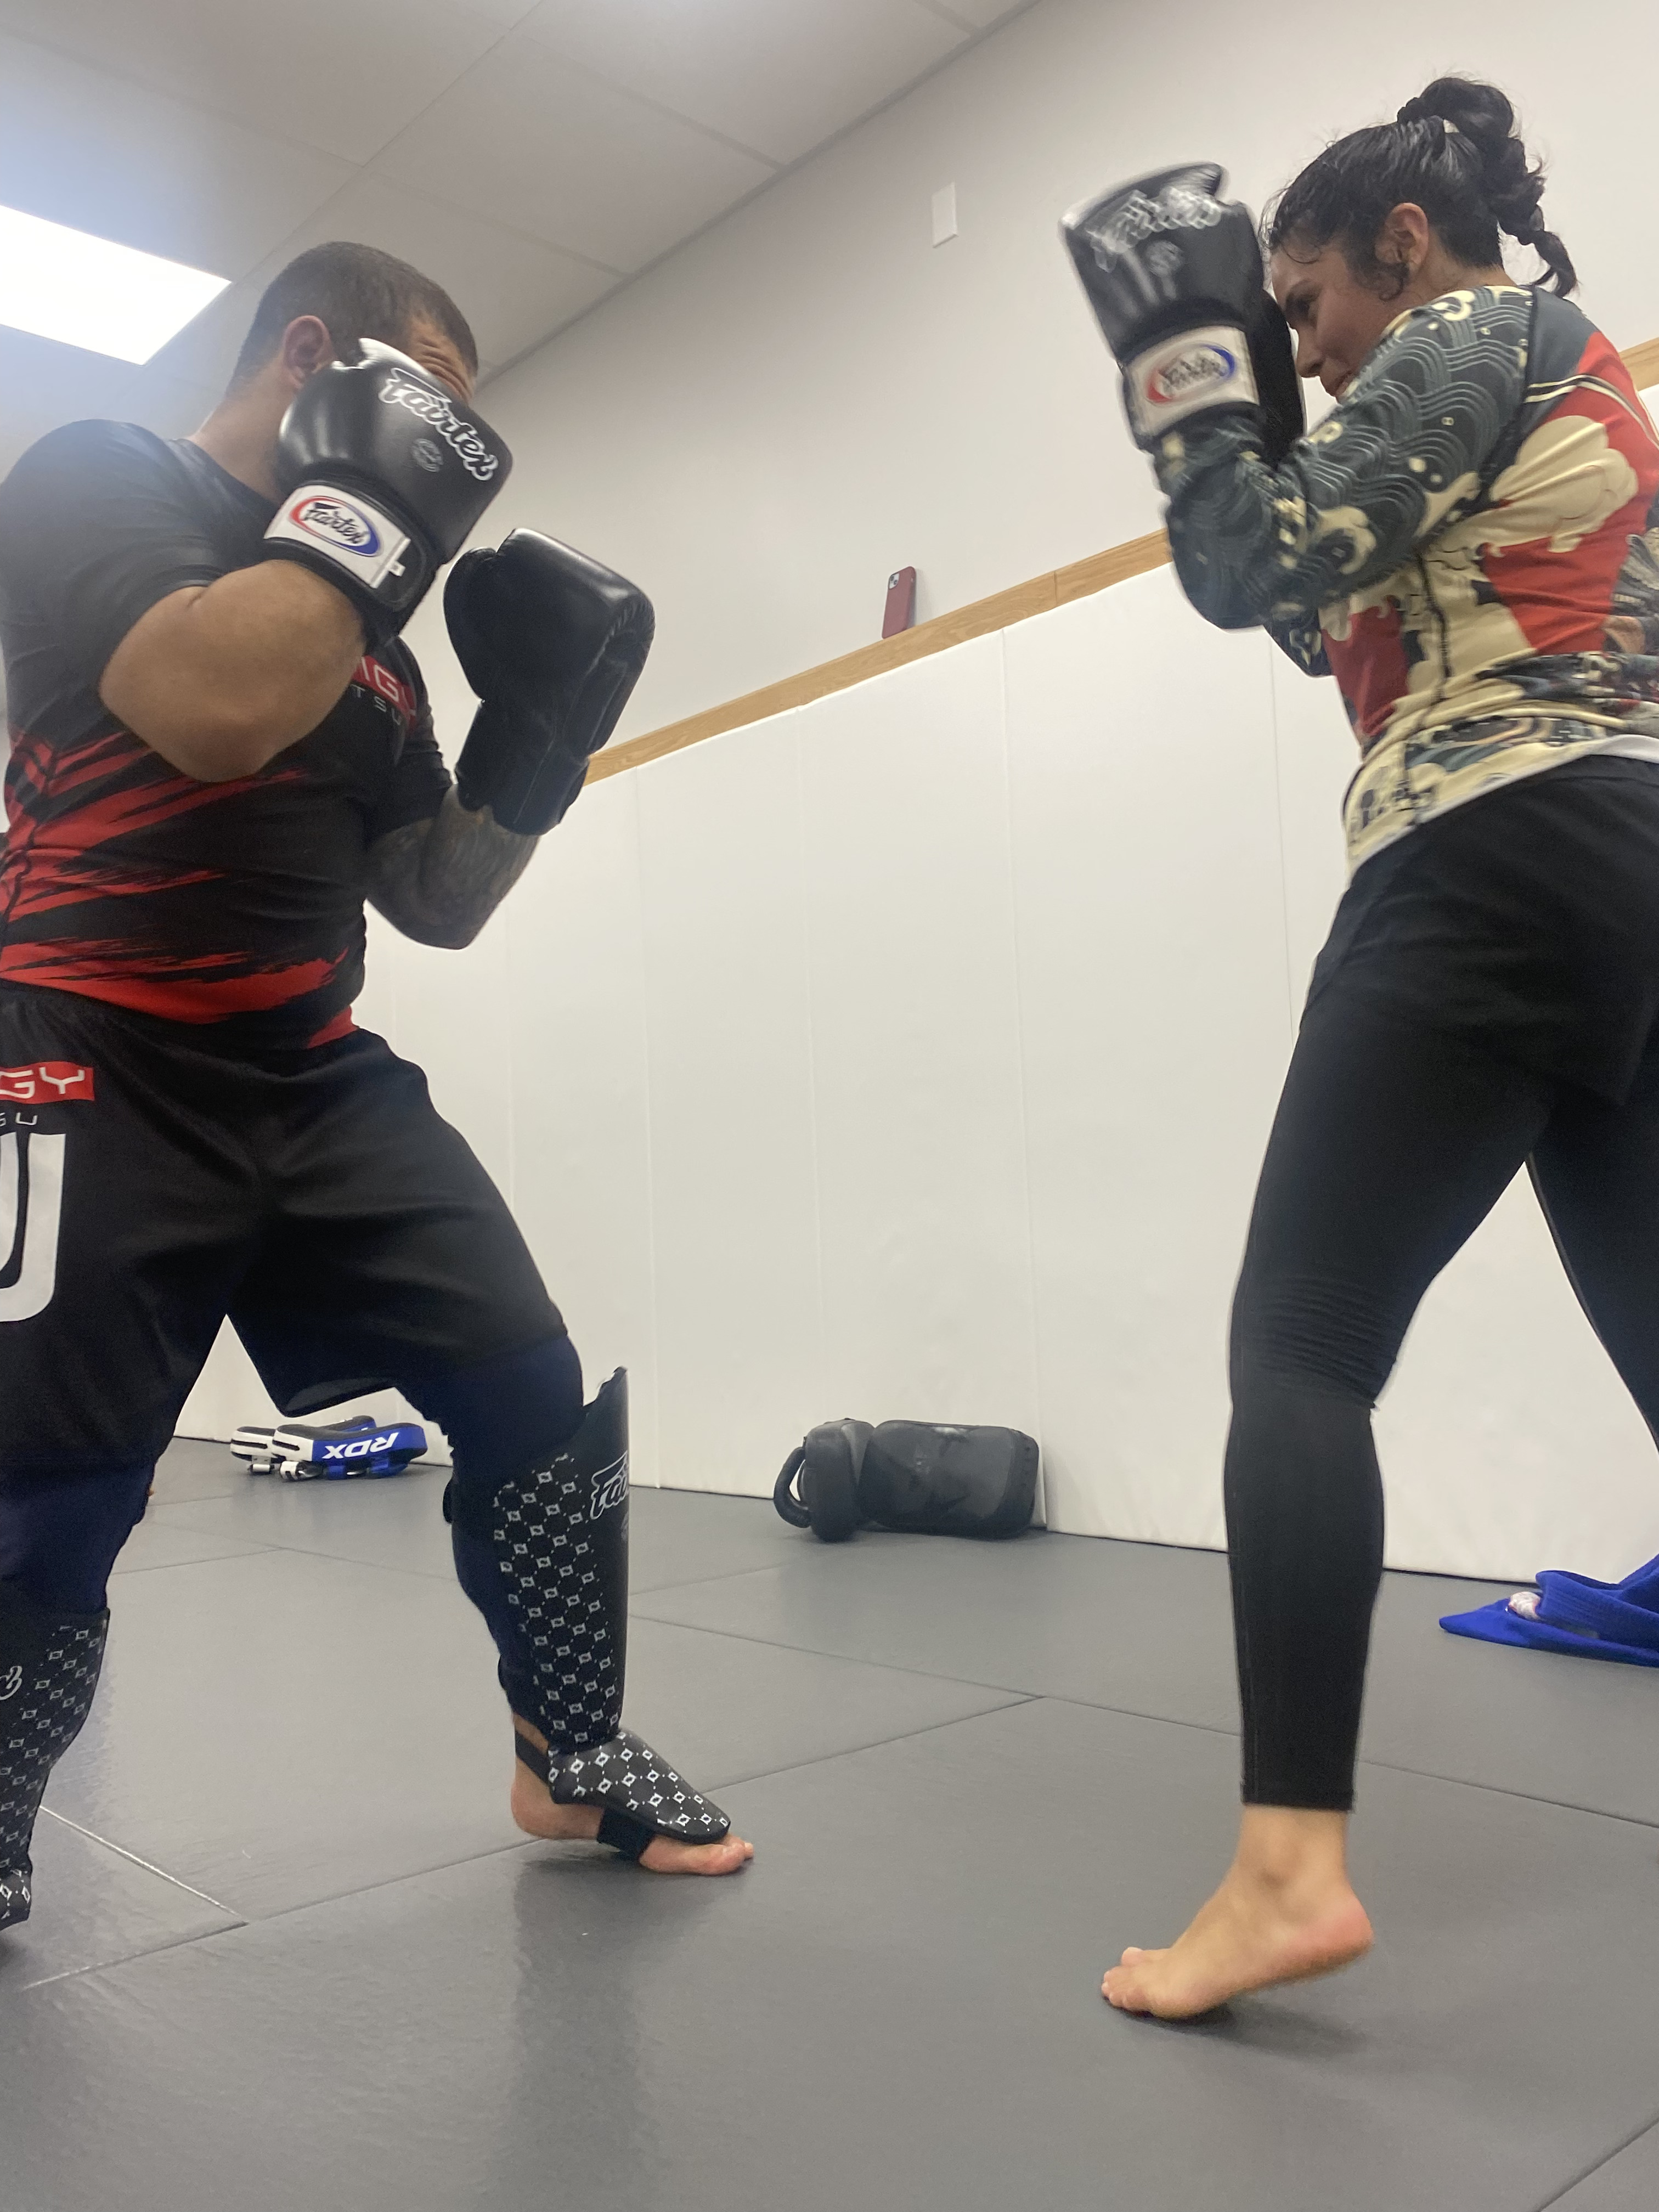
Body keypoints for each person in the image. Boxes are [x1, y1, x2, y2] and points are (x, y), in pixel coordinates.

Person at [0, 241, 752, 1934]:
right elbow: (210, 705)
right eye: (429, 413)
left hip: (313, 1078)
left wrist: (539, 743)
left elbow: (436, 900)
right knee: (52, 1488)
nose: (452, 466)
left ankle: (571, 1752)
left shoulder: (374, 645)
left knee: (529, 1388)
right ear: (315, 360)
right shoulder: (96, 478)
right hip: (92, 1055)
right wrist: (368, 524)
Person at [1062, 78, 1659, 2016]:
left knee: (1301, 1351)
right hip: (1635, 867)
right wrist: (1251, 417)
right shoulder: (1557, 375)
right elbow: (1322, 621)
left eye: (1309, 303)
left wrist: (1182, 371)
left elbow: (1250, 565)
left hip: (1489, 854)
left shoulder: (1471, 329)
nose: (1308, 349)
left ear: (1406, 243)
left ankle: (1287, 1874)